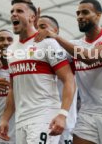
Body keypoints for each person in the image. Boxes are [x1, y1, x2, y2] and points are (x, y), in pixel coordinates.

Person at [35, 0, 102, 144]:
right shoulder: (74, 46)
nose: (80, 16)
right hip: (87, 114)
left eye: (85, 12)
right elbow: (39, 56)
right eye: (78, 13)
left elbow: (90, 57)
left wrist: (56, 37)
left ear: (99, 15)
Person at [0, 0, 75, 144]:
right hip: (21, 121)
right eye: (12, 11)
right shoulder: (11, 50)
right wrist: (5, 118)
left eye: (19, 11)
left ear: (32, 17)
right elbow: (13, 89)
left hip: (44, 116)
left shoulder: (48, 43)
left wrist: (63, 114)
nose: (14, 14)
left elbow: (68, 79)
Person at [37, 15, 78, 144]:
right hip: (40, 121)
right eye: (36, 27)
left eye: (43, 27)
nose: (39, 31)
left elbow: (88, 54)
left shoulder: (67, 51)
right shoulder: (31, 54)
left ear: (55, 30)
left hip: (65, 122)